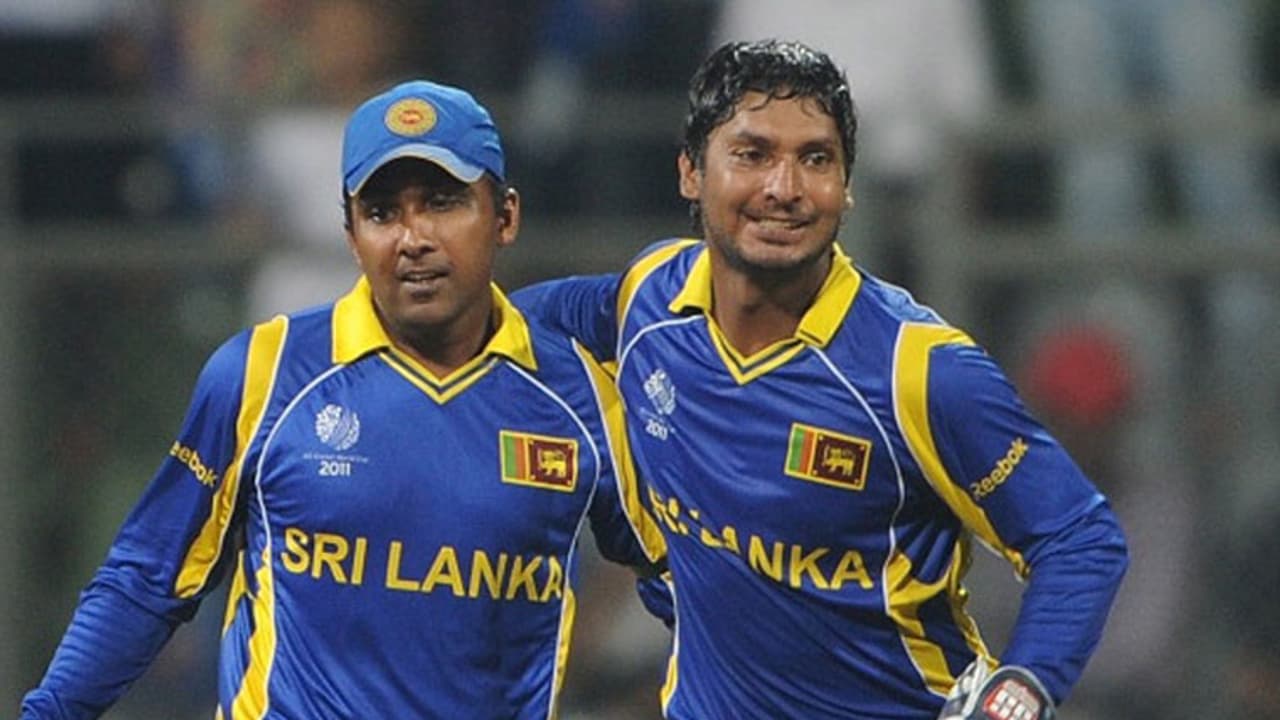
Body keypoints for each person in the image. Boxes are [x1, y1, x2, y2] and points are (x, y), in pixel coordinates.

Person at [513, 39, 1129, 718]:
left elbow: (1077, 538)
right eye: (752, 155)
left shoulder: (918, 369)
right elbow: (523, 323)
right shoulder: (651, 299)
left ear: (847, 185)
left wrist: (1021, 691)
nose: (784, 188)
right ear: (691, 172)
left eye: (815, 159)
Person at [20, 79, 663, 719]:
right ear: (351, 235)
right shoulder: (265, 373)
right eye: (382, 212)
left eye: (443, 202)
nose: (413, 237)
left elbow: (683, 576)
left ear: (506, 216)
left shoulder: (578, 396)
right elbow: (146, 579)